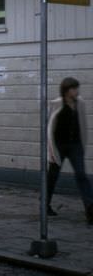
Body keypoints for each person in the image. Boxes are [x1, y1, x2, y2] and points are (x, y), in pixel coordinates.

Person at [46, 77, 93, 224]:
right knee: (53, 176)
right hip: (59, 145)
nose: (76, 91)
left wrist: (82, 145)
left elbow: (83, 125)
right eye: (73, 88)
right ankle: (45, 204)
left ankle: (90, 208)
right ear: (66, 90)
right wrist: (52, 151)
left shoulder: (81, 104)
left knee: (81, 175)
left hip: (75, 145)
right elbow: (50, 128)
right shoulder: (56, 104)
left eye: (77, 88)